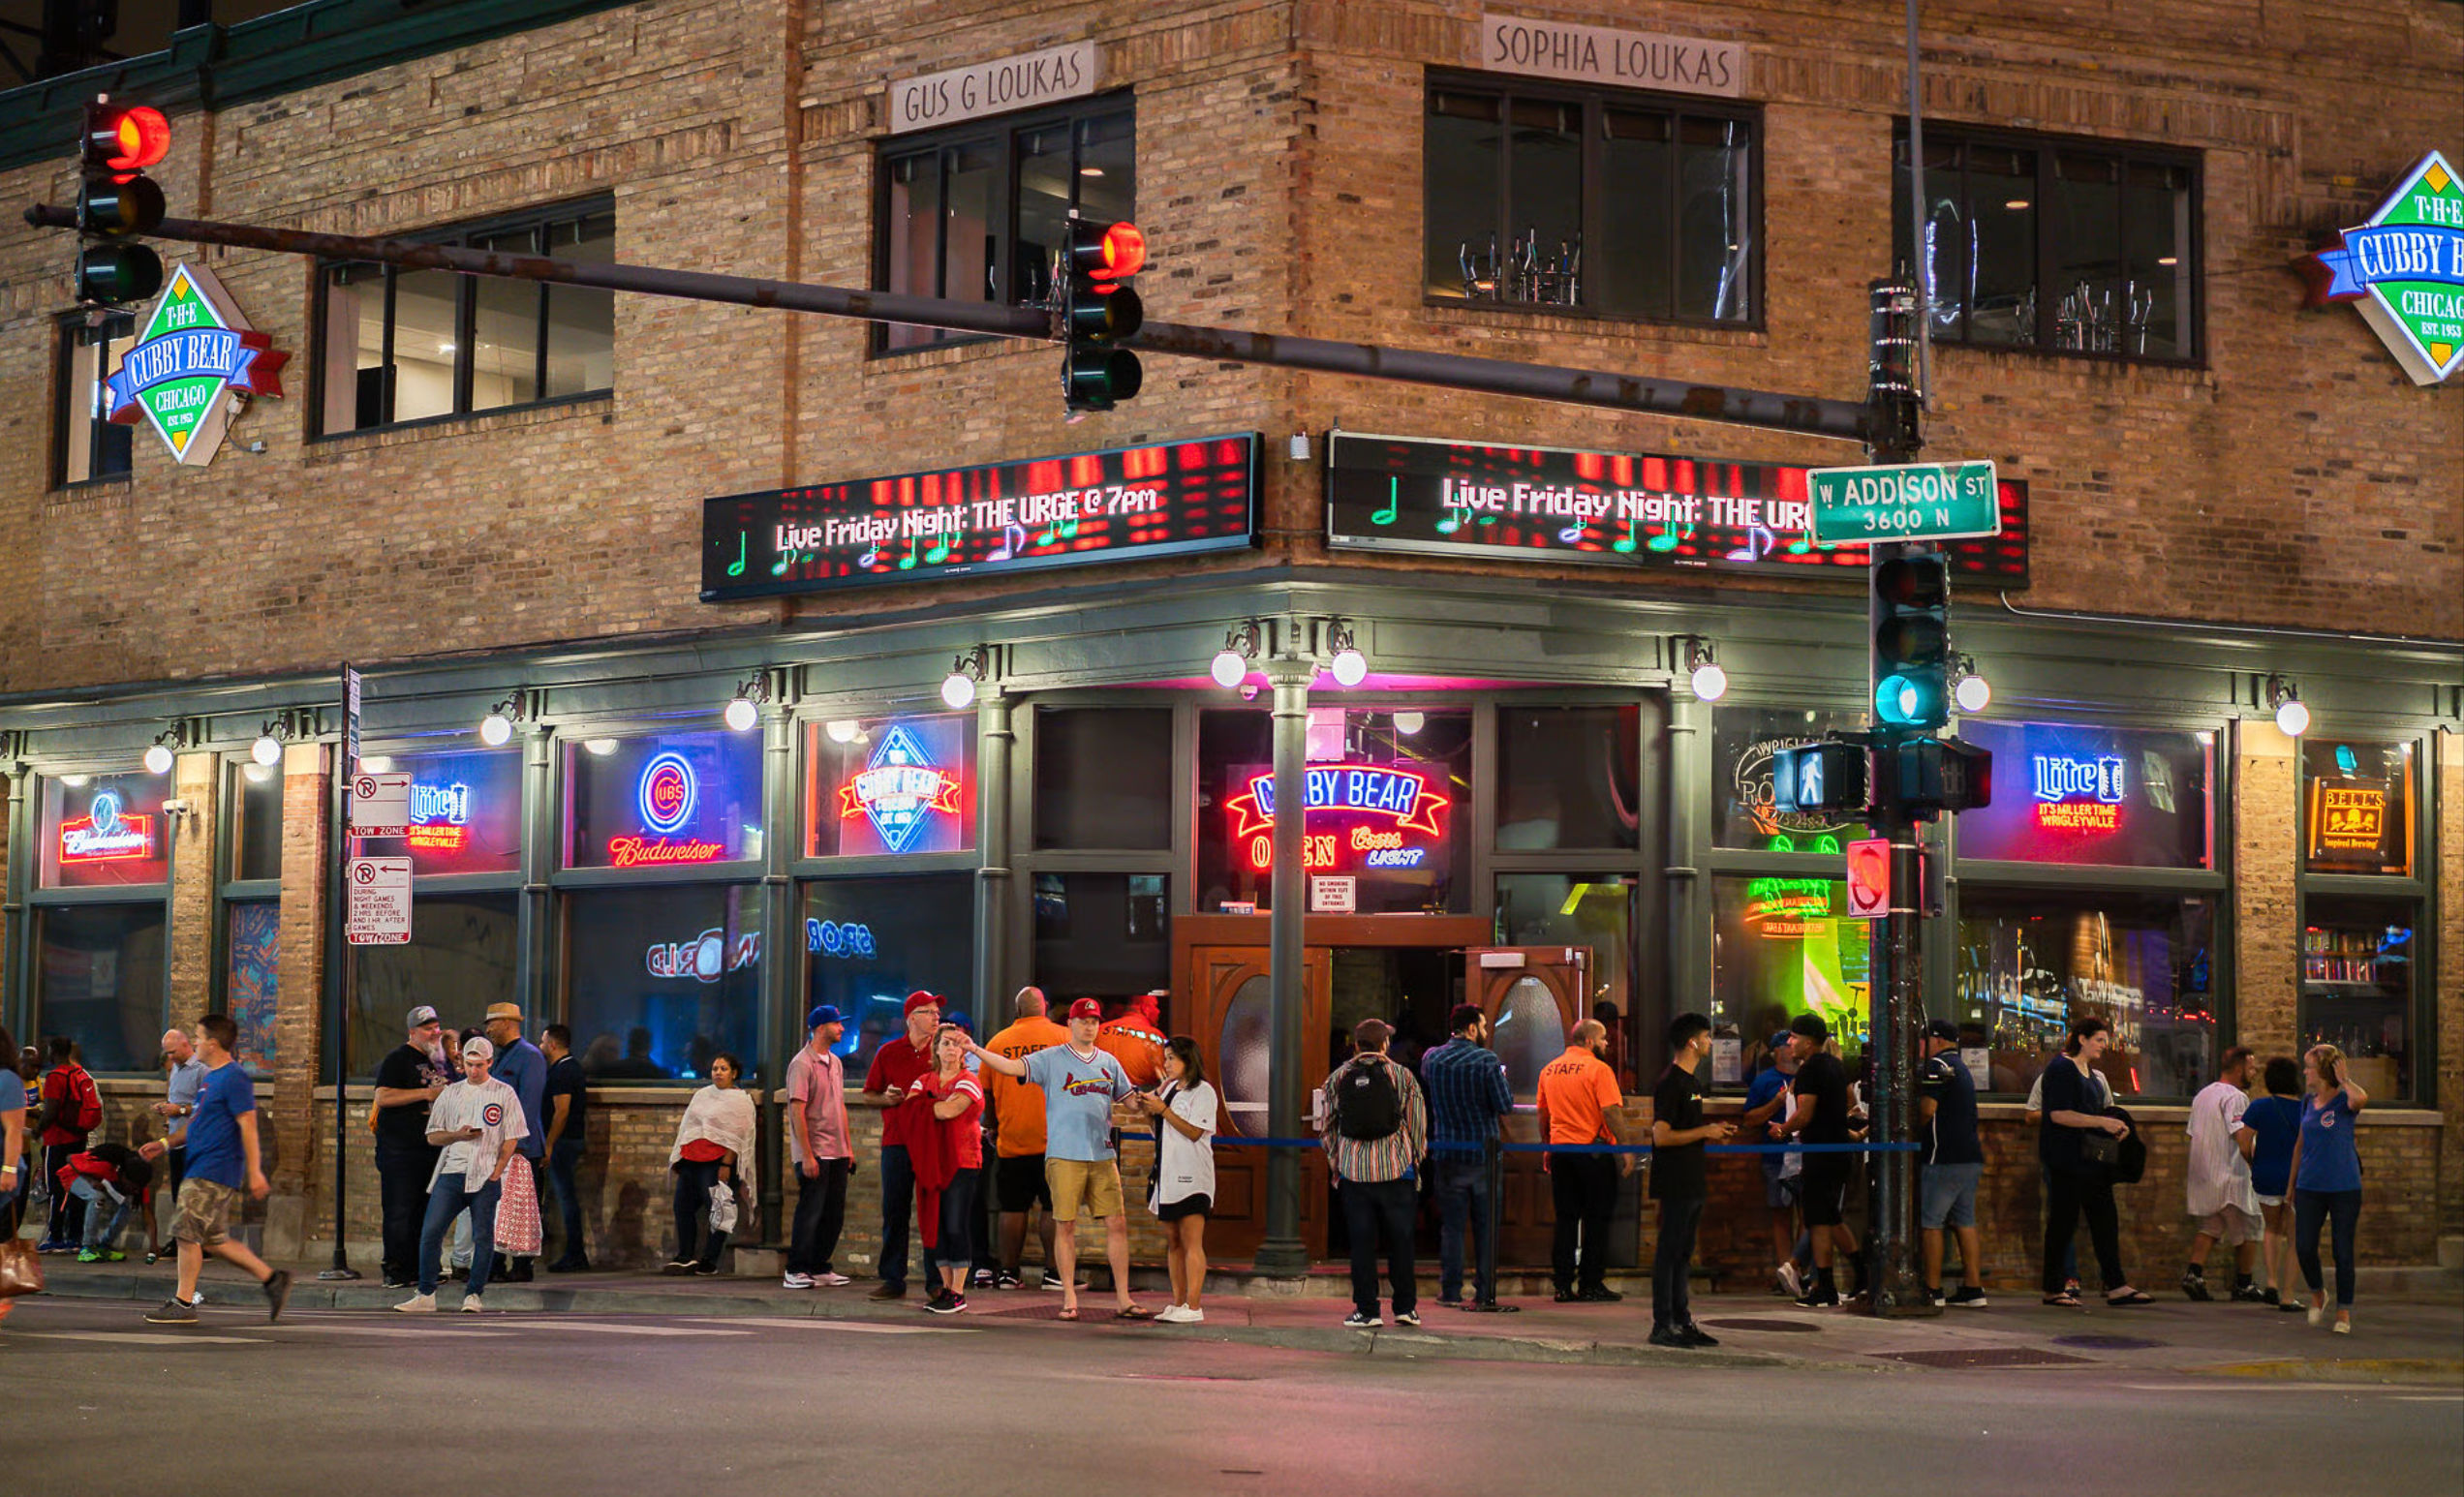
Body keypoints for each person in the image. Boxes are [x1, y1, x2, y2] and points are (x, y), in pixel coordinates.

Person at [968, 997, 1148, 1321]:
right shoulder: (1052, 1058)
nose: (1089, 1026)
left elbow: (1130, 1101)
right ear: (1071, 1024)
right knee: (1065, 1225)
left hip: (1102, 1154)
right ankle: (1068, 1298)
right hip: (1064, 1154)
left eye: (1094, 1021)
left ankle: (1124, 1299)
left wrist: (1153, 1101)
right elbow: (1012, 1068)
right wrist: (975, 1050)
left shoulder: (1108, 1060)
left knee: (1117, 1224)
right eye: (1083, 1020)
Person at [145, 1015, 290, 1325]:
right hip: (201, 1164)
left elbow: (248, 1126)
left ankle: (183, 1303)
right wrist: (165, 1143)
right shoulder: (211, 1078)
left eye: (197, 1037)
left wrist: (255, 1172)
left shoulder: (234, 1078)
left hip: (215, 1167)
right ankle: (273, 1279)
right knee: (211, 1239)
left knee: (185, 1230)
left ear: (213, 1043)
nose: (194, 1042)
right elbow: (196, 1124)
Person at [395, 1034, 526, 1313]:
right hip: (453, 1172)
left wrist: (497, 1172)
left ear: (490, 1062)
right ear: (462, 1063)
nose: (474, 1070)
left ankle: (474, 1294)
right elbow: (433, 1136)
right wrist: (457, 1135)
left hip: (485, 1173)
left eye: (480, 1064)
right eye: (469, 1064)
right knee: (431, 1232)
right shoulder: (451, 1093)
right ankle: (426, 1293)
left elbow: (512, 1137)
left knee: (482, 1237)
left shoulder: (504, 1093)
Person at [1320, 1018, 1428, 1329]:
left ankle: (1367, 1310)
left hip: (1355, 1174)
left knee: (1362, 1244)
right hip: (1397, 1173)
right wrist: (1414, 1158)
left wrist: (1337, 1162)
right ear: (1384, 1045)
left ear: (1356, 1046)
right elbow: (1418, 1123)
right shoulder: (1402, 1076)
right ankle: (1406, 1308)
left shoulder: (1338, 1078)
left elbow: (1327, 1128)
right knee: (1402, 1242)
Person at [2038, 1017, 2151, 1308]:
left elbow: (2091, 1112)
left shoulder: (2090, 1072)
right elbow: (2058, 1114)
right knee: (2063, 1222)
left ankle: (2116, 1284)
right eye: (2099, 1039)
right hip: (2067, 1158)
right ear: (2082, 1039)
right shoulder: (2062, 1069)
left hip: (2090, 1159)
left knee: (2105, 1219)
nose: (2104, 1045)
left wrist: (2113, 1124)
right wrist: (2102, 1121)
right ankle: (2053, 1287)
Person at [1649, 1013, 1736, 1348]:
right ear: (1691, 1042)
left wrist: (1713, 1133)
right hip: (1675, 1180)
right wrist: (1706, 1130)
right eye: (1706, 1036)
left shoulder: (1693, 1083)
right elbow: (1662, 1136)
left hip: (1692, 1177)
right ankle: (1662, 1323)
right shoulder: (1671, 1083)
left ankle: (1681, 1320)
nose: (1710, 1043)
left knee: (1684, 1252)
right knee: (1669, 1251)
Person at [1419, 1004, 1513, 1310]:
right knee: (1486, 1227)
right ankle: (1484, 1291)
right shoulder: (1487, 1060)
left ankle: (1450, 1290)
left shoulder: (1432, 1058)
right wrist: (1502, 1077)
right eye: (1484, 1026)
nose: (1486, 1032)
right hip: (1483, 1155)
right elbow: (1504, 1105)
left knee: (1452, 1227)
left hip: (1447, 1152)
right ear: (1472, 1028)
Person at [981, 987, 1069, 1291]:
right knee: (1053, 1207)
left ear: (1018, 1011)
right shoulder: (1064, 1039)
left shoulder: (997, 1042)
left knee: (1012, 1208)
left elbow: (988, 1094)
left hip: (1013, 1140)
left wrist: (992, 1127)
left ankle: (1007, 1272)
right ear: (1043, 1008)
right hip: (1056, 1140)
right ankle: (1054, 1274)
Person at [1537, 1019, 1629, 1304]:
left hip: (1562, 1152)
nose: (1606, 1044)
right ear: (1589, 1041)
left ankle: (1562, 1285)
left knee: (1566, 1220)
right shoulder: (1599, 1069)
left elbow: (1543, 1115)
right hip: (1593, 1153)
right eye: (1603, 1039)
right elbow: (1611, 1112)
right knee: (1596, 1219)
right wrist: (1625, 1148)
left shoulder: (1549, 1069)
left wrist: (1548, 1144)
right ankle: (1591, 1283)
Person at [1773, 1014, 1862, 1307]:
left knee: (1821, 1219)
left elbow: (1805, 1113)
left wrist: (1782, 1129)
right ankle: (1838, 1282)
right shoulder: (1835, 1066)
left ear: (1808, 1042)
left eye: (1794, 1038)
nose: (1789, 1043)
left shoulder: (1810, 1070)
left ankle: (1832, 1285)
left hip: (1820, 1153)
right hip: (1838, 1151)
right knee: (1825, 1218)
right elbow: (1851, 1102)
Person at [862, 991, 943, 1300]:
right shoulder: (889, 1052)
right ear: (911, 1018)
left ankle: (936, 1280)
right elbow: (870, 1094)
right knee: (895, 1211)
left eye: (937, 1012)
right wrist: (887, 1098)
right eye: (929, 1012)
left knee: (933, 1212)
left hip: (933, 1142)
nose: (936, 1017)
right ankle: (893, 1279)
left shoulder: (943, 1052)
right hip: (896, 1141)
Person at [2285, 1042, 2369, 1333]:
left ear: (2322, 1071)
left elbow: (2361, 1099)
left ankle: (2343, 1311)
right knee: (2305, 1246)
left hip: (2344, 1186)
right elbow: (2300, 1144)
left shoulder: (2343, 1102)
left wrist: (2345, 1080)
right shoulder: (2307, 1103)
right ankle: (2318, 1292)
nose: (2305, 1071)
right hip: (2309, 1185)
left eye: (2308, 1066)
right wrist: (2291, 1185)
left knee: (2342, 1249)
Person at [1136, 1036, 1217, 1324]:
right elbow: (1160, 1131)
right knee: (1172, 1240)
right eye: (1166, 1057)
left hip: (1193, 1175)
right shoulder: (1169, 1089)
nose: (1167, 1064)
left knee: (1191, 1238)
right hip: (1166, 1174)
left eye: (1172, 1058)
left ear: (1188, 1060)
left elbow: (1195, 1132)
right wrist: (1149, 1111)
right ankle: (1178, 1301)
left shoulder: (1203, 1091)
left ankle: (1194, 1306)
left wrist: (1164, 1111)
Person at [372, 1006, 452, 1289]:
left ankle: (422, 1267)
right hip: (400, 1151)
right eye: (428, 1028)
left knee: (425, 1211)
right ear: (412, 1032)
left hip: (430, 1150)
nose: (434, 1032)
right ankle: (395, 1268)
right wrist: (426, 1093)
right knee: (400, 1210)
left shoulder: (439, 1062)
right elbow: (382, 1096)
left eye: (436, 1026)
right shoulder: (398, 1059)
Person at [2182, 1046, 2263, 1302]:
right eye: (2251, 1068)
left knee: (2212, 1225)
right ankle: (2244, 1283)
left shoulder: (2202, 1095)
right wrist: (2257, 1167)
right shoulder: (2236, 1098)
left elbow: (2193, 1133)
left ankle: (2193, 1273)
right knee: (2250, 1227)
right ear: (2239, 1069)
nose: (2255, 1072)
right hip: (2231, 1176)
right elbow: (2242, 1139)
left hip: (2204, 1173)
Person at [1918, 1019, 1988, 1308]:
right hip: (1970, 1156)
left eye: (1923, 1041)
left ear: (1935, 1040)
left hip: (1943, 1156)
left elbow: (1927, 1110)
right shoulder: (1962, 1067)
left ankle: (1932, 1290)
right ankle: (1973, 1289)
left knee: (1931, 1222)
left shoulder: (1937, 1066)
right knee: (1965, 1221)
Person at [784, 1005, 855, 1290]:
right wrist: (807, 1155)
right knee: (810, 1210)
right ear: (821, 1027)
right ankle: (796, 1268)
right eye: (837, 1024)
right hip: (816, 1151)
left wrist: (848, 1148)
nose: (841, 1028)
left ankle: (820, 1265)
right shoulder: (801, 1064)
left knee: (833, 1212)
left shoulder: (835, 1062)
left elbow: (839, 1106)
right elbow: (796, 1110)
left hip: (837, 1150)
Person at [664, 1054, 755, 1276]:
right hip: (691, 1159)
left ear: (734, 1073)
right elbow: (688, 1126)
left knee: (718, 1210)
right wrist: (679, 1157)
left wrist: (726, 1164)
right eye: (715, 1068)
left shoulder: (740, 1100)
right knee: (682, 1206)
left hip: (716, 1162)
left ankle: (710, 1259)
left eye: (723, 1069)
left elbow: (737, 1136)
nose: (718, 1072)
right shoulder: (702, 1095)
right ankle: (685, 1256)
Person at [916, 1024, 987, 1313]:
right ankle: (946, 1289)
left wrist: (925, 1107)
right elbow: (909, 1108)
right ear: (936, 1049)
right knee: (937, 1226)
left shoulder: (969, 1081)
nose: (950, 1049)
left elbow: (948, 1110)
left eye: (956, 1044)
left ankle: (959, 1291)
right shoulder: (924, 1079)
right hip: (931, 1162)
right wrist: (925, 1106)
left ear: (963, 1051)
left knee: (956, 1224)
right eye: (944, 1043)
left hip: (962, 1161)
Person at [481, 1003, 547, 1283]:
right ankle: (495, 1263)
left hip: (521, 1148)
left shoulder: (530, 1056)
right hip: (498, 1147)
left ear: (507, 1023)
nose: (488, 1029)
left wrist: (516, 1143)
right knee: (498, 1206)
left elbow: (528, 1105)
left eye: (491, 1023)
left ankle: (522, 1265)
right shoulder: (499, 1057)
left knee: (523, 1206)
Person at [1740, 1031, 1804, 1298]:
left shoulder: (1808, 1078)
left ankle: (1800, 1270)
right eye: (1787, 1046)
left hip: (1804, 1155)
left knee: (1806, 1215)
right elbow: (1750, 1119)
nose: (1792, 1049)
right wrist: (1776, 1102)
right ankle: (1784, 1271)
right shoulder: (1764, 1081)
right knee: (1780, 1214)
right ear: (1776, 1052)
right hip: (1775, 1157)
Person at [2242, 1056, 2306, 1310]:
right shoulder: (2306, 1110)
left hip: (2266, 1174)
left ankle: (2271, 1282)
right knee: (2295, 1237)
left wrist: (2253, 1163)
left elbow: (2243, 1143)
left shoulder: (2259, 1107)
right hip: (2299, 1178)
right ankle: (2288, 1295)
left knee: (2271, 1229)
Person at [36, 1036, 102, 1253]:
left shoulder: (56, 1077)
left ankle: (55, 1236)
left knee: (55, 1188)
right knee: (76, 1188)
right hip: (78, 1138)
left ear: (52, 1051)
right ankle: (74, 1236)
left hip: (57, 1140)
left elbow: (51, 1111)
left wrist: (37, 1131)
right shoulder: (78, 1073)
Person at [143, 1027, 203, 1262]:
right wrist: (168, 1110)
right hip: (176, 1139)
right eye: (167, 1053)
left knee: (190, 1194)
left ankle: (195, 1242)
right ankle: (183, 1240)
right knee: (178, 1193)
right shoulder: (176, 1069)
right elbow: (179, 1101)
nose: (169, 1057)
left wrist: (178, 1110)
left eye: (173, 1052)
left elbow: (204, 1107)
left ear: (186, 1045)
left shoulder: (201, 1070)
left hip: (193, 1140)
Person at [536, 1023, 591, 1272]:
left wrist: (549, 1144)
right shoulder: (565, 1068)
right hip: (566, 1141)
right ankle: (571, 1252)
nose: (540, 1046)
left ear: (553, 1044)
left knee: (566, 1198)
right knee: (562, 1197)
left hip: (563, 1142)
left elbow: (562, 1111)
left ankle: (575, 1253)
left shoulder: (564, 1072)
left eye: (543, 1041)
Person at [60, 1143, 154, 1262]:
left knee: (130, 1204)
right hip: (72, 1175)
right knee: (97, 1197)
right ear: (124, 1176)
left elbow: (148, 1212)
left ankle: (104, 1245)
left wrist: (153, 1246)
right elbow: (70, 1158)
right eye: (132, 1187)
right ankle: (88, 1247)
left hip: (100, 1179)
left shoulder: (138, 1182)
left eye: (137, 1189)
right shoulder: (104, 1167)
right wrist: (92, 1181)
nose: (134, 1191)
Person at [1096, 992, 1169, 1088]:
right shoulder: (1155, 1037)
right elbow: (1166, 1079)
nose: (1158, 1011)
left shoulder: (1099, 1030)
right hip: (1139, 1098)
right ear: (1144, 1009)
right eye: (1155, 1006)